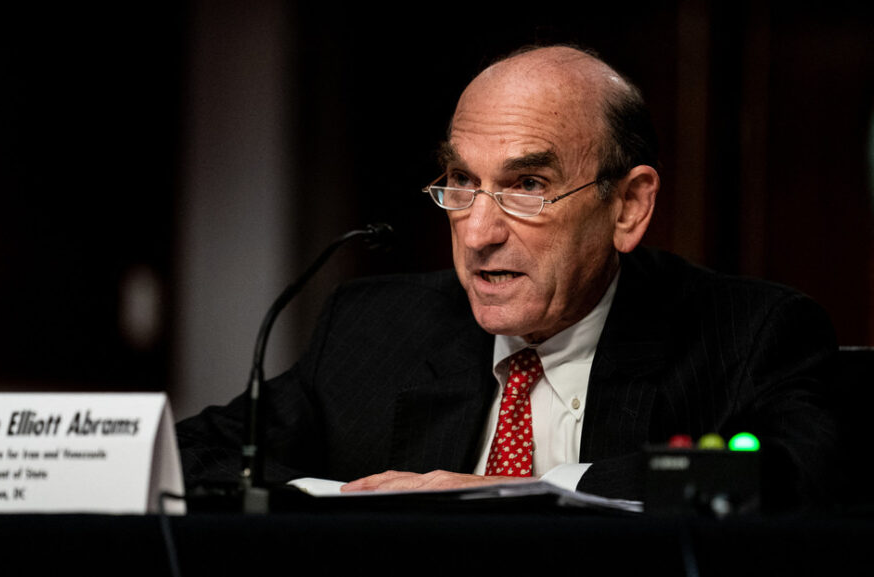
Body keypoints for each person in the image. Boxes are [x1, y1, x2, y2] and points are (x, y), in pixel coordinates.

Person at [176, 44, 838, 508]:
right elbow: (194, 455)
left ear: (628, 206)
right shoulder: (373, 328)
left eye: (526, 186)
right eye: (463, 183)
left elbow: (791, 476)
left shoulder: (745, 334)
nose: (478, 231)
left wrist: (519, 497)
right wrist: (339, 503)